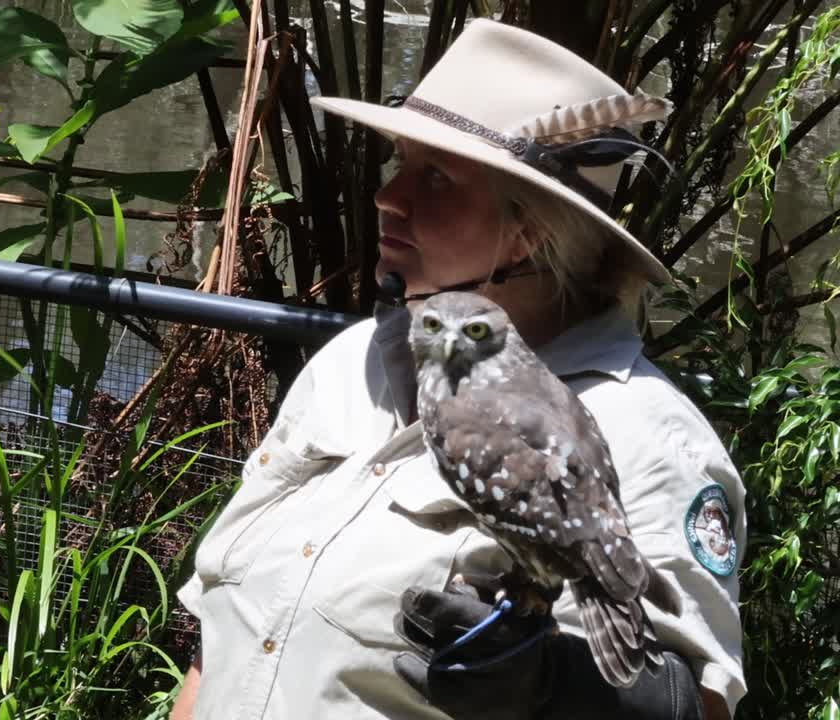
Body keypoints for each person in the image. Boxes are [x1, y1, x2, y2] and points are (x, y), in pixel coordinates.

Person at [170, 18, 745, 720]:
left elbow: (692, 706)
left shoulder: (644, 435)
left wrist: (557, 688)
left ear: (531, 229)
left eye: (436, 177)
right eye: (400, 163)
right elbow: (224, 639)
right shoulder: (356, 363)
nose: (390, 195)